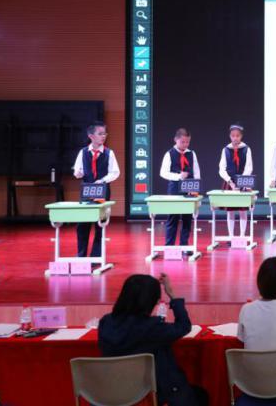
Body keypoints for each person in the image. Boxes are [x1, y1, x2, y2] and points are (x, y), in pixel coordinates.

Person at [98, 274, 208, 406]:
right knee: (200, 395)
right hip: (150, 394)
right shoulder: (152, 328)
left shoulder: (106, 322)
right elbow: (183, 326)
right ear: (150, 301)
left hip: (113, 392)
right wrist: (172, 295)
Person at [72, 121, 120, 257]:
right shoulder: (83, 152)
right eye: (100, 134)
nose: (103, 136)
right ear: (91, 136)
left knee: (100, 223)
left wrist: (102, 180)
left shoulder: (109, 153)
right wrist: (78, 173)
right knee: (83, 224)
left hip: (102, 190)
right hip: (87, 190)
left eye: (105, 134)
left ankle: (96, 257)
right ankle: (81, 255)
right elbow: (78, 170)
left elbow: (115, 172)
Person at [159, 128, 201, 247]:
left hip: (189, 188)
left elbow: (197, 172)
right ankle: (169, 246)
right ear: (176, 140)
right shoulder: (169, 154)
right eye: (182, 142)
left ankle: (184, 245)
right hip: (175, 189)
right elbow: (163, 173)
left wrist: (195, 188)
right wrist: (178, 176)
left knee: (187, 219)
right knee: (173, 217)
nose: (185, 144)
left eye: (187, 142)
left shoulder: (191, 154)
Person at [217, 123, 254, 238]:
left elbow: (249, 167)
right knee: (231, 211)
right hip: (230, 183)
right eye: (233, 136)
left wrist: (242, 182)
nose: (235, 138)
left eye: (237, 135)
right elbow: (221, 169)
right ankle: (231, 236)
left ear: (241, 136)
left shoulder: (246, 149)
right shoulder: (226, 150)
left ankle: (242, 236)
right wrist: (230, 181)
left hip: (243, 183)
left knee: (243, 210)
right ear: (230, 136)